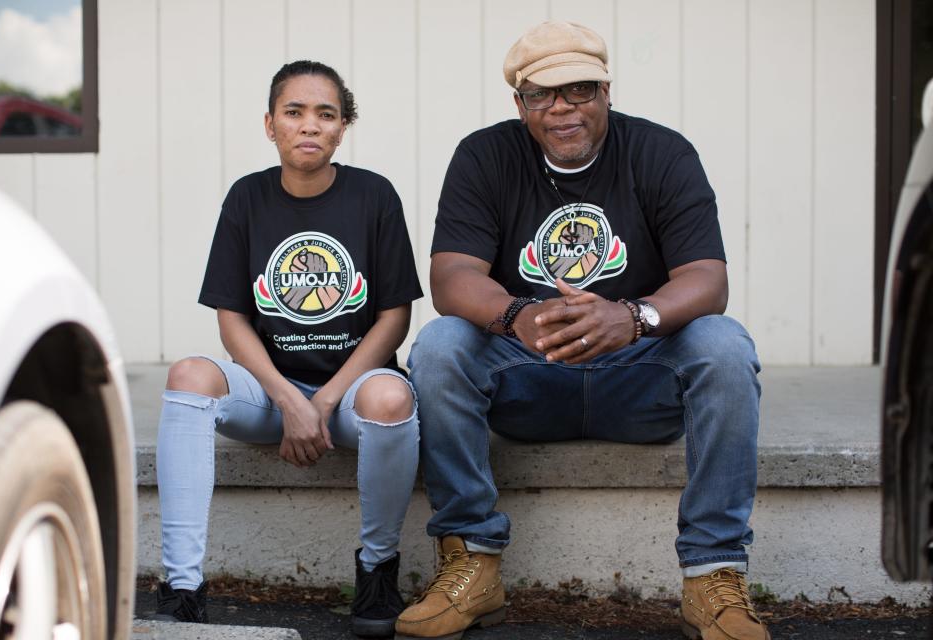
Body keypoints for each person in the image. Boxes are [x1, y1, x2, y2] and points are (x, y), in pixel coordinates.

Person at [394, 21, 768, 640]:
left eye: (580, 90)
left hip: (639, 376)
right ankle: (472, 563)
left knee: (723, 345)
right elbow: (452, 276)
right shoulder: (485, 156)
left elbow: (707, 278)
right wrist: (519, 317)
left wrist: (633, 316)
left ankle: (713, 575)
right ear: (519, 104)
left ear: (606, 92)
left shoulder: (660, 151)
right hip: (528, 377)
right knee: (439, 347)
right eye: (543, 94)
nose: (563, 108)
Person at [152, 60, 423, 638]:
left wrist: (321, 402)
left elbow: (394, 318)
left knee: (391, 399)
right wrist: (288, 400)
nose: (309, 125)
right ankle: (182, 587)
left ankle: (377, 569)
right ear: (270, 124)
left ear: (343, 127)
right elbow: (232, 318)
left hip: (348, 396)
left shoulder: (374, 196)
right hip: (270, 398)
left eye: (326, 114)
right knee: (188, 376)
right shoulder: (247, 198)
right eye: (294, 112)